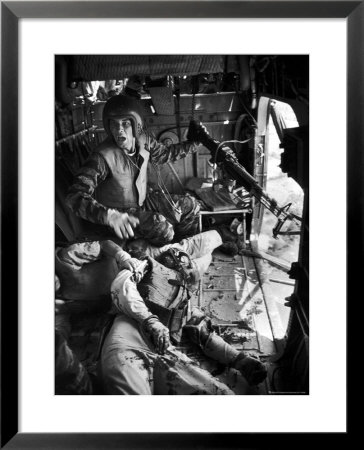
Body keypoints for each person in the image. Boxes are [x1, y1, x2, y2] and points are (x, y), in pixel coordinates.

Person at [98, 231, 267, 395]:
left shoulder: (184, 303)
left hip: (164, 351)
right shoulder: (144, 266)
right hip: (128, 344)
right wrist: (150, 320)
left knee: (222, 393)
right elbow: (121, 287)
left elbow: (203, 333)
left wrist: (237, 359)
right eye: (178, 259)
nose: (185, 264)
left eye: (189, 264)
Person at [66, 94, 209, 246]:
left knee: (191, 206)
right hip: (119, 215)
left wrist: (195, 142)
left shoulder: (144, 140)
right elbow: (74, 196)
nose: (119, 130)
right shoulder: (102, 157)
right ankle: (145, 252)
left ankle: (182, 249)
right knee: (163, 229)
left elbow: (165, 155)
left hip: (143, 201)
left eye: (125, 123)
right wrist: (109, 216)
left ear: (136, 125)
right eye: (114, 124)